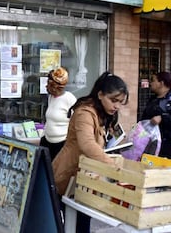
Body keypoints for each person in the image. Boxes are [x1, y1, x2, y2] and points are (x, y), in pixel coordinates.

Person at [52, 71, 129, 233]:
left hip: (84, 179)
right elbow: (87, 144)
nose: (116, 106)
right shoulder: (85, 113)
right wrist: (113, 166)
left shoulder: (102, 114)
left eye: (120, 102)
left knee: (82, 222)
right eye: (113, 100)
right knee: (64, 224)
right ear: (100, 95)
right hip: (66, 175)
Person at [141, 72, 171, 162]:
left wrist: (163, 118)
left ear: (161, 83)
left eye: (153, 80)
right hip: (151, 145)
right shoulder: (152, 100)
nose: (151, 83)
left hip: (168, 147)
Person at [40, 67, 76, 160]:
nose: (46, 86)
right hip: (47, 142)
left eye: (48, 84)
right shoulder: (50, 98)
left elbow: (76, 122)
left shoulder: (69, 99)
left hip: (61, 144)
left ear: (55, 87)